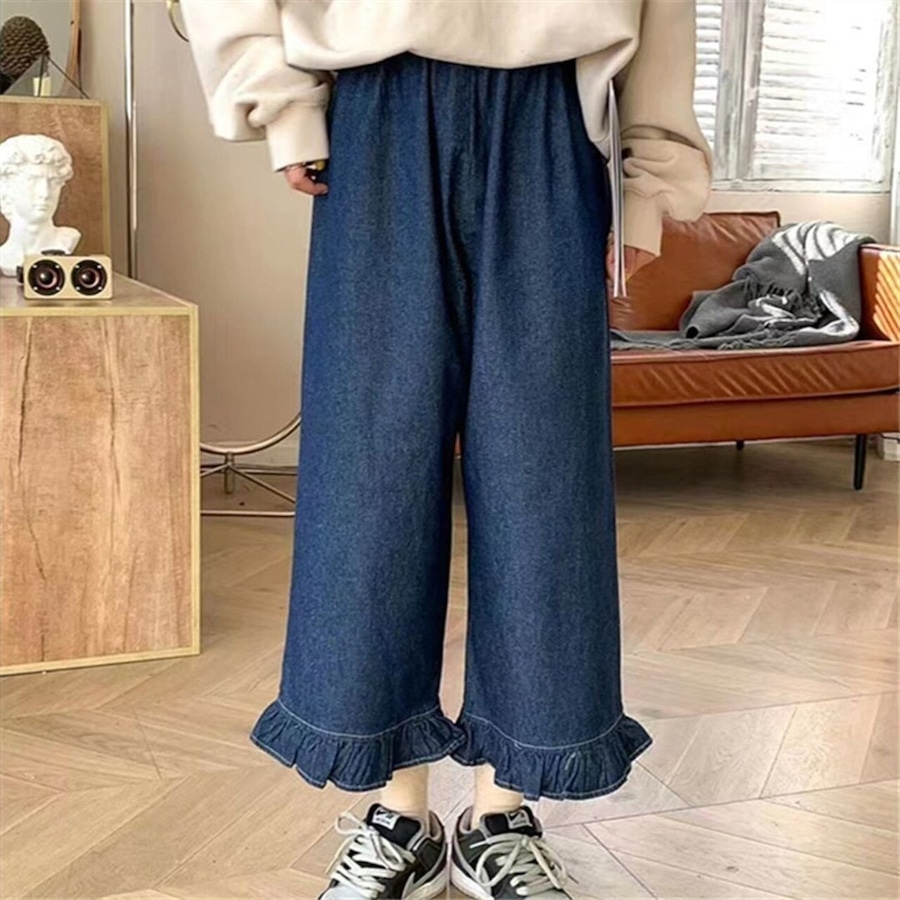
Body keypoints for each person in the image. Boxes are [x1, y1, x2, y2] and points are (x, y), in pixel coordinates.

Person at [180, 2, 712, 897]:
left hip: (554, 119)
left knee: (547, 487)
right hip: (376, 112)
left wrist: (650, 181)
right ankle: (401, 813)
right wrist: (283, 102)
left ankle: (501, 813)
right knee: (368, 483)